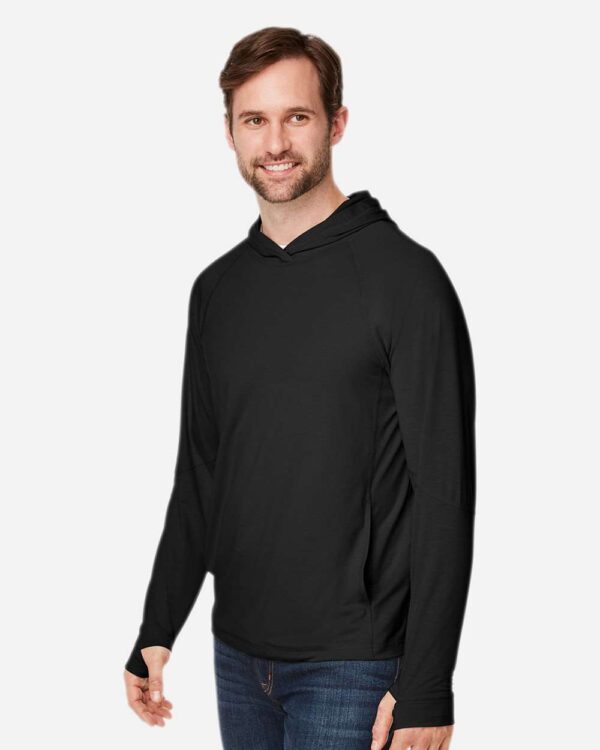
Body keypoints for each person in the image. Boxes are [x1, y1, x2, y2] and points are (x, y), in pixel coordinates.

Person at [123, 26, 476, 750]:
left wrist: (427, 684)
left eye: (298, 116)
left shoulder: (405, 280)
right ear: (229, 132)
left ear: (336, 124)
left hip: (355, 667)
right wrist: (158, 626)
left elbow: (445, 493)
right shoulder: (218, 290)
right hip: (237, 656)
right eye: (255, 119)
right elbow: (202, 472)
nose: (276, 142)